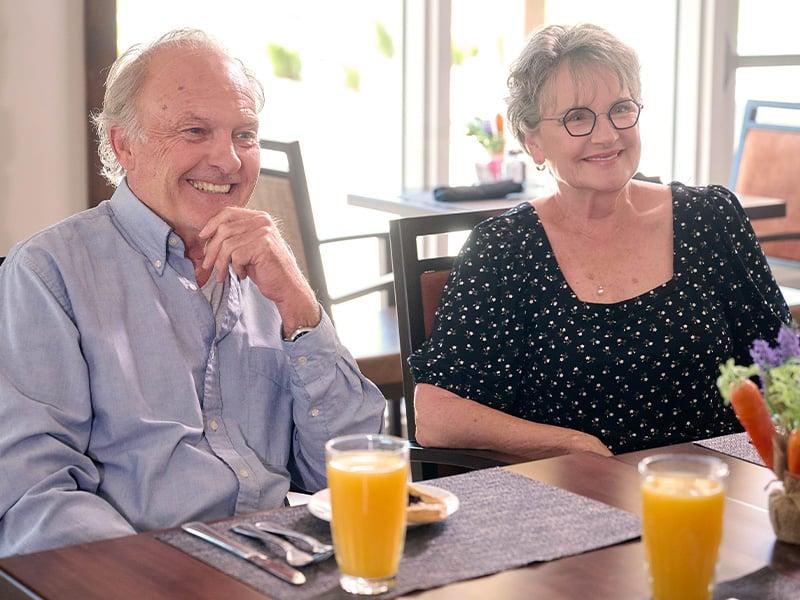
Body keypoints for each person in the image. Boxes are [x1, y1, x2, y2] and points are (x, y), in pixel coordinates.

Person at [0, 28, 385, 557]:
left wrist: (300, 307)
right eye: (195, 131)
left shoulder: (269, 271)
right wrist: (160, 578)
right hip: (143, 575)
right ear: (123, 145)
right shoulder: (48, 274)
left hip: (285, 559)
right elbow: (34, 497)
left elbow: (346, 473)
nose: (227, 160)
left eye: (244, 135)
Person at [408, 23, 790, 460]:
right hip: (578, 501)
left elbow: (784, 366)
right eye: (577, 118)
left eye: (620, 109)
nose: (607, 135)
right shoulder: (504, 250)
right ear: (532, 142)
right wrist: (568, 442)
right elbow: (436, 415)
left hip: (720, 487)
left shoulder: (710, 219)